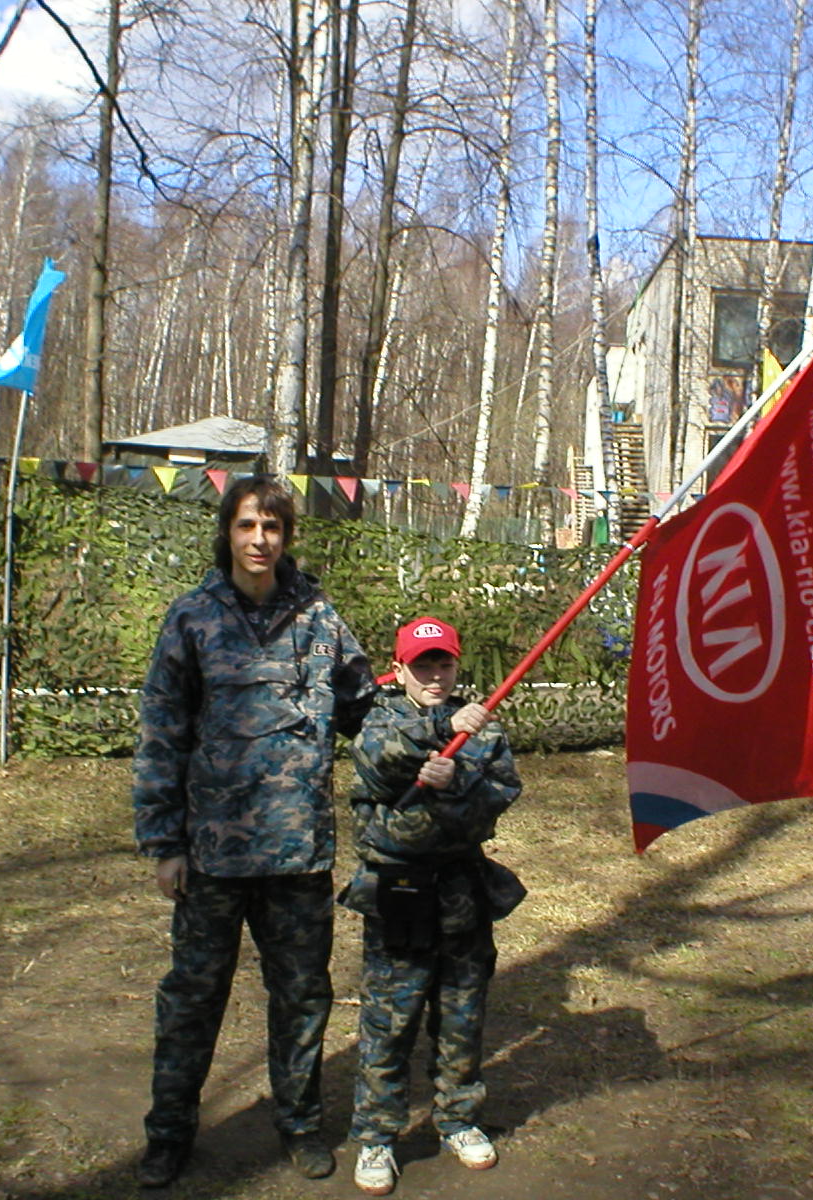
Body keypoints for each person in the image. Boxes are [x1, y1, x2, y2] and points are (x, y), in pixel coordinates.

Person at [132, 475, 376, 1188]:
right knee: (192, 1000)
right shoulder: (192, 618)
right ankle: (169, 1133)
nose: (260, 539)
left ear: (286, 535)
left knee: (302, 999)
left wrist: (435, 719)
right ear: (228, 533)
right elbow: (162, 735)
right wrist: (164, 844)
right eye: (246, 525)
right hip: (212, 855)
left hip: (298, 856)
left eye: (272, 526)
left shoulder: (321, 620)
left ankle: (299, 1124)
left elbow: (365, 712)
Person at [337, 616, 525, 1196]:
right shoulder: (378, 719)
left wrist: (455, 780)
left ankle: (458, 1118)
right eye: (423, 666)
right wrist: (443, 731)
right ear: (400, 670)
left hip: (462, 890)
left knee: (461, 1014)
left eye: (444, 663)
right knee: (389, 1022)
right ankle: (377, 1135)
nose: (435, 676)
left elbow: (498, 797)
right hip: (400, 893)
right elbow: (380, 764)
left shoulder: (483, 729)